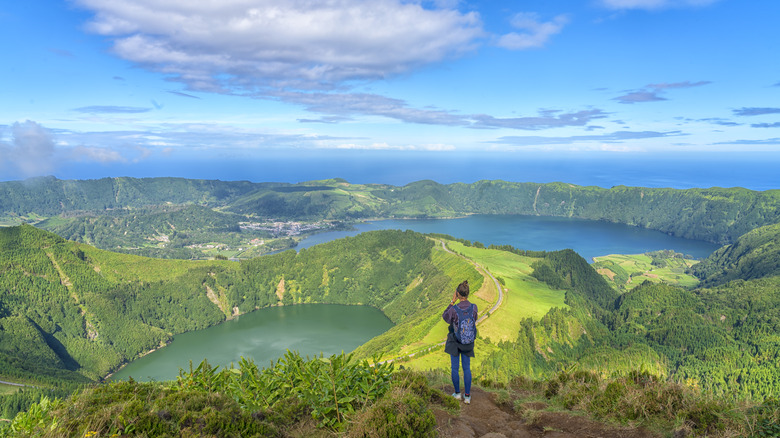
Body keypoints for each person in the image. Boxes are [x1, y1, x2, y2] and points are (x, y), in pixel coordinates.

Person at [442, 280, 478, 404]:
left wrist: (452, 301)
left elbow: (445, 317)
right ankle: (467, 396)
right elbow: (474, 319)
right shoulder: (474, 307)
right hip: (468, 342)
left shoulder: (454, 309)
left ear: (457, 294)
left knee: (455, 368)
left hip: (455, 341)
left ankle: (457, 394)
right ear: (468, 294)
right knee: (467, 368)